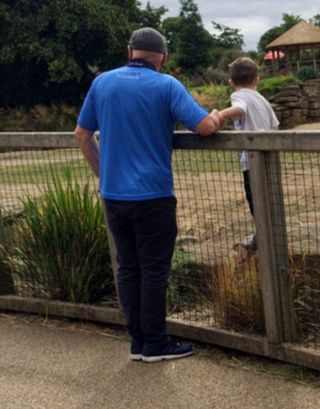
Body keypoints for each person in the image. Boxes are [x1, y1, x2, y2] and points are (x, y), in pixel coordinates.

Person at [74, 27, 223, 363]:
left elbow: (82, 134)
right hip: (153, 194)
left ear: (130, 51)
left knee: (128, 267)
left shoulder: (103, 83)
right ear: (163, 58)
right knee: (154, 269)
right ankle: (156, 343)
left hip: (114, 195)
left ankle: (138, 341)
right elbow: (203, 127)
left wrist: (104, 173)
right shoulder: (167, 84)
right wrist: (218, 115)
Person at [219, 57, 279, 251]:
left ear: (231, 82)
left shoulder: (239, 95)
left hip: (250, 160)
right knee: (268, 195)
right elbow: (275, 126)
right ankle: (271, 232)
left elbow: (239, 109)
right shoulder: (262, 99)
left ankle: (262, 235)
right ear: (257, 79)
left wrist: (218, 115)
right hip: (269, 157)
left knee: (254, 197)